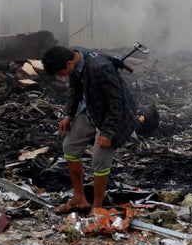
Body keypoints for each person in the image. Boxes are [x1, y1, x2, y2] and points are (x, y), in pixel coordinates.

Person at [41, 45, 138, 214]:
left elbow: (116, 101)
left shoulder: (99, 67)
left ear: (69, 63)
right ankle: (80, 198)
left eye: (60, 72)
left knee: (100, 159)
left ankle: (97, 206)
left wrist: (107, 132)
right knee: (70, 146)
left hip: (113, 116)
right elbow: (75, 89)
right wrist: (69, 115)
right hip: (92, 109)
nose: (60, 76)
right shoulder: (74, 56)